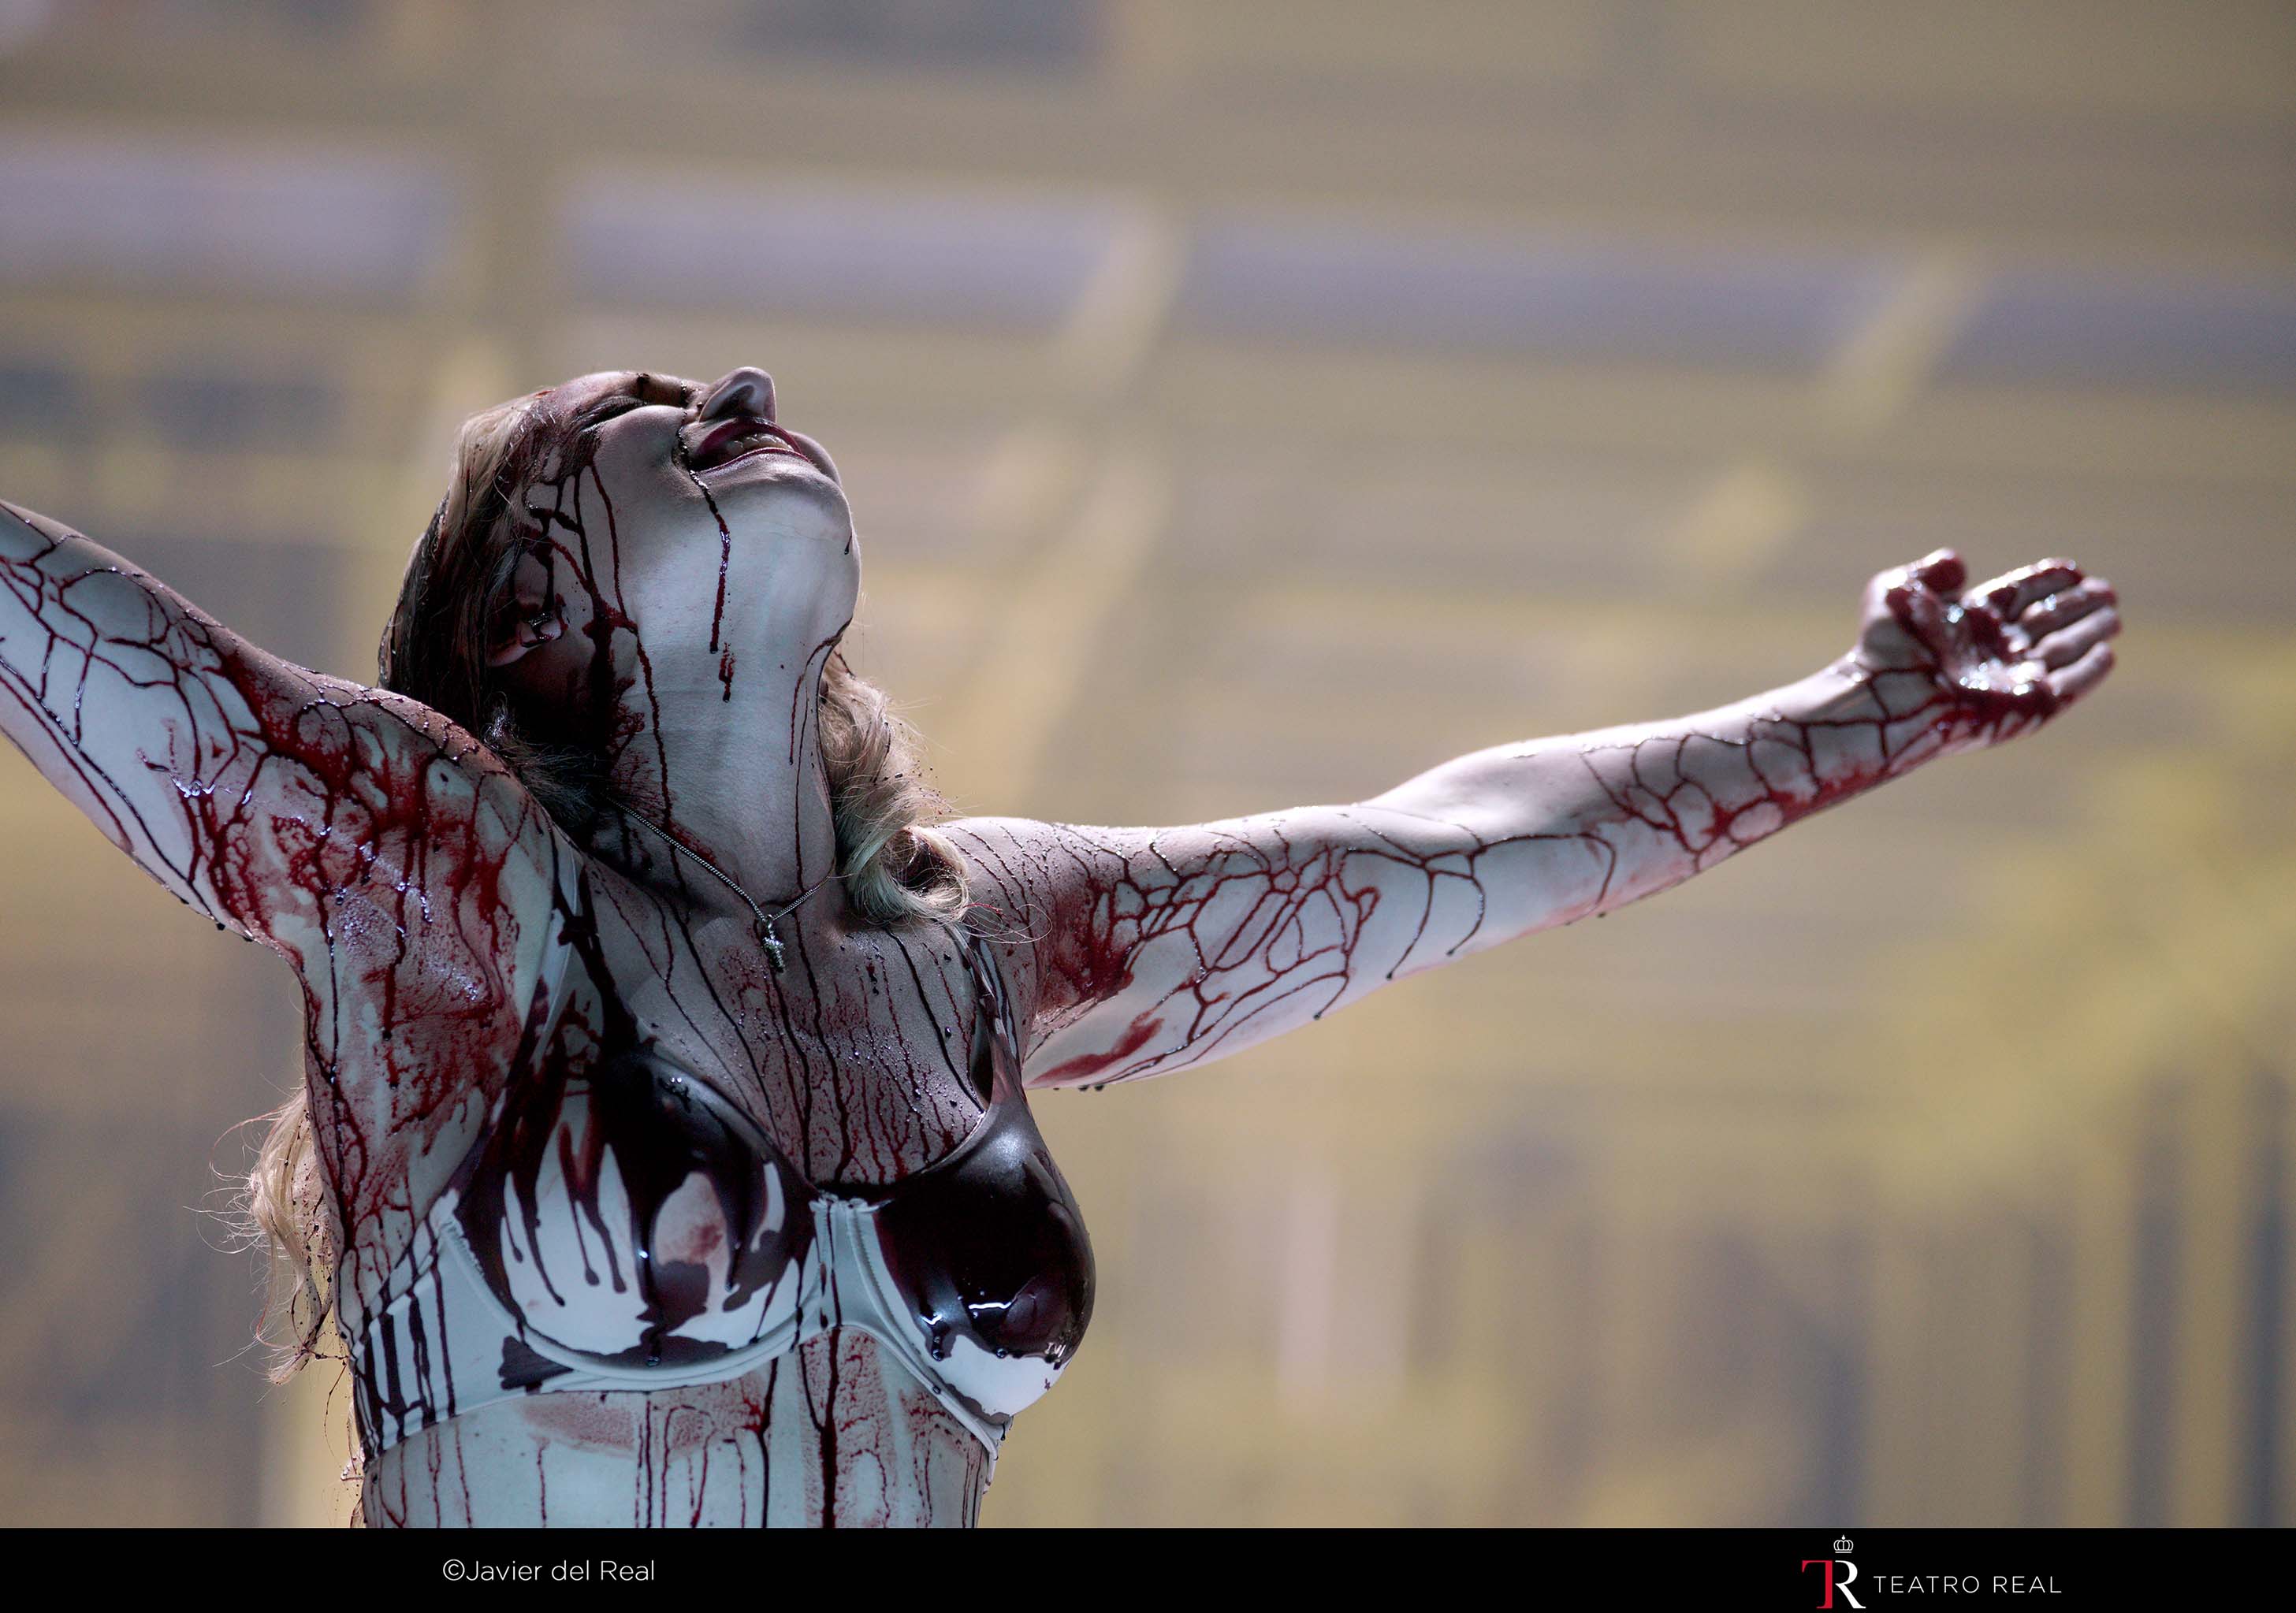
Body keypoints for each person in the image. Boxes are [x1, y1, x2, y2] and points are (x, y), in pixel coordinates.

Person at [0, 366, 2119, 1526]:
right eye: (631, 415)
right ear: (518, 623)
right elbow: (107, 660)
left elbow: (1458, 847)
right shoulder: (443, 882)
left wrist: (1861, 718)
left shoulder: (979, 943)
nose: (739, 385)